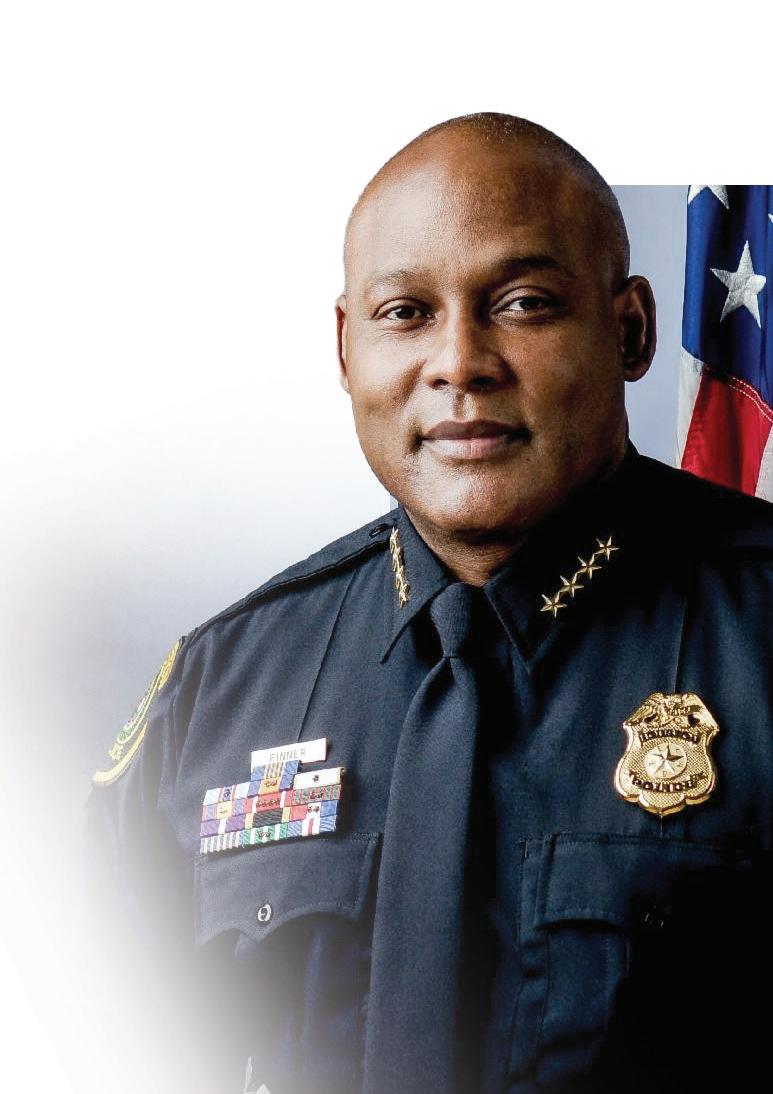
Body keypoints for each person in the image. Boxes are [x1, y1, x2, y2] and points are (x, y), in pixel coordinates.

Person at [87, 113, 773, 1094]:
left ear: (628, 330)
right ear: (345, 348)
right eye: (404, 312)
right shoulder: (219, 686)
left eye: (523, 303)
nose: (458, 361)